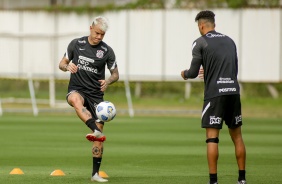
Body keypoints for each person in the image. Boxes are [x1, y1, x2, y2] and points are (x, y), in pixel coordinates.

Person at [181, 10, 247, 184]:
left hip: (214, 94)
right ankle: (242, 179)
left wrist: (184, 74)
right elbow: (234, 69)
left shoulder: (200, 42)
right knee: (238, 137)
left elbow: (193, 72)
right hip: (233, 91)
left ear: (201, 26)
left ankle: (213, 181)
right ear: (214, 25)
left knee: (212, 138)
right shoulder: (230, 41)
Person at [59, 16, 119, 182]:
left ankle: (95, 174)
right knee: (76, 101)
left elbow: (116, 74)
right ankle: (94, 128)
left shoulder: (107, 51)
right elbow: (61, 63)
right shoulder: (76, 44)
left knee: (98, 141)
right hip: (76, 89)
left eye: (103, 35)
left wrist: (107, 81)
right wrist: (67, 66)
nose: (99, 37)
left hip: (96, 96)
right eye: (97, 33)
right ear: (90, 28)